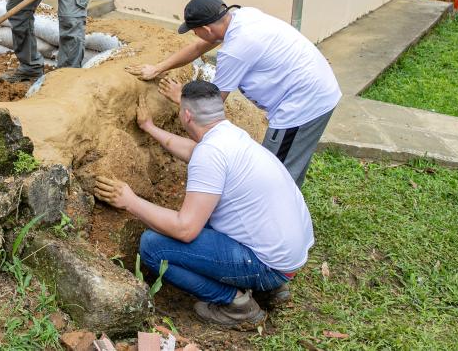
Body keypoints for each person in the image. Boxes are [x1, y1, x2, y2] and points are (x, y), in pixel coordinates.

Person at [94, 81, 314, 330]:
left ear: (186, 115)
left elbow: (185, 229)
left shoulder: (210, 154)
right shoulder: (231, 136)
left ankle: (236, 304)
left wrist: (131, 202)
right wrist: (149, 128)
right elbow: (193, 150)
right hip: (288, 255)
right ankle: (271, 287)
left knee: (153, 247)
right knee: (202, 212)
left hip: (269, 265)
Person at [126, 0, 341, 186]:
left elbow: (212, 108)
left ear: (207, 29)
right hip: (319, 89)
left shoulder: (235, 51)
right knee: (290, 165)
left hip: (302, 105)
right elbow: (199, 47)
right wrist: (158, 68)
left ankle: (268, 224)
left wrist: (181, 98)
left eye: (195, 30)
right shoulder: (242, 17)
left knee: (273, 175)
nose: (195, 35)